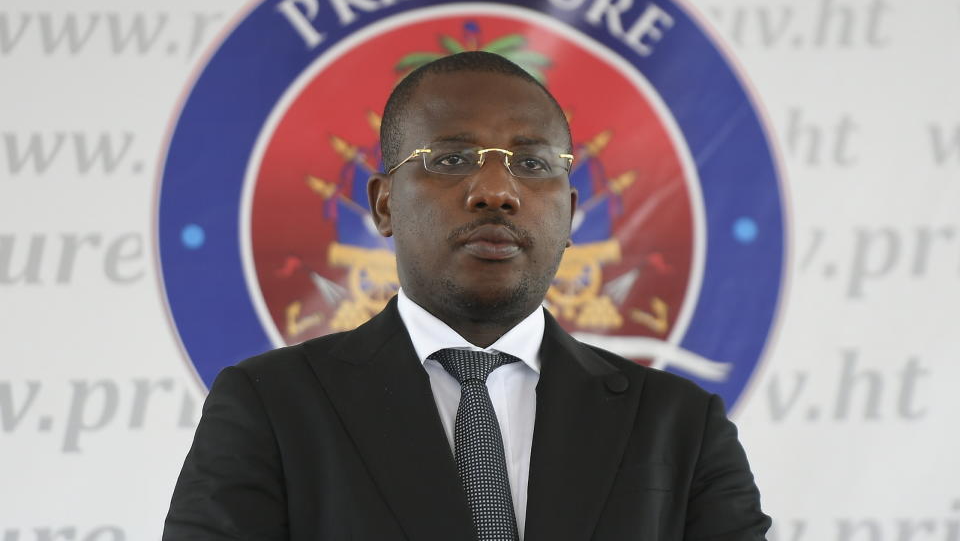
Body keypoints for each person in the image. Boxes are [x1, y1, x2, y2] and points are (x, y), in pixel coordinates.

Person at [163, 51, 771, 540]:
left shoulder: (680, 426)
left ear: (570, 211)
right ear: (382, 204)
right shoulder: (270, 407)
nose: (495, 191)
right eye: (451, 158)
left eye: (532, 165)